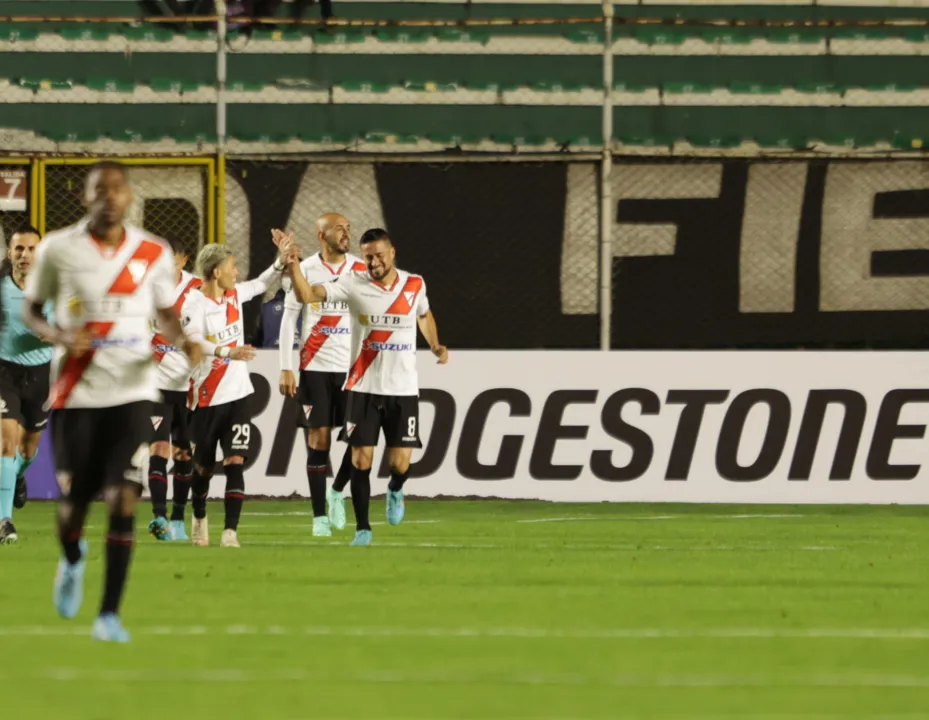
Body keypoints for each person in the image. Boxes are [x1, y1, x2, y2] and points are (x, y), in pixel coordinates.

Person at [23, 161, 202, 642]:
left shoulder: (154, 251)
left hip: (133, 393)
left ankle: (108, 615)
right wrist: (59, 333)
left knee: (124, 499)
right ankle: (72, 560)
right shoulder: (59, 249)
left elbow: (165, 314)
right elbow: (32, 311)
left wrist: (184, 340)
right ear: (85, 197)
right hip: (77, 394)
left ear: (129, 197)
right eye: (99, 190)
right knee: (74, 508)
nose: (109, 197)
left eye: (117, 190)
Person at [287, 228, 448, 546]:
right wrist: (293, 265)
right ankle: (363, 529)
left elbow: (424, 315)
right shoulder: (352, 283)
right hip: (363, 387)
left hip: (403, 390)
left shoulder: (414, 284)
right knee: (361, 459)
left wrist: (435, 345)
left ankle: (396, 489)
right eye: (367, 256)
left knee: (399, 464)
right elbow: (308, 295)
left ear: (392, 253)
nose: (373, 262)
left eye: (378, 255)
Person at [182, 240, 295, 548]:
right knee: (203, 468)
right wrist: (225, 351)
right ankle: (200, 515)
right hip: (206, 399)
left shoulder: (234, 295)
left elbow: (259, 285)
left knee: (235, 460)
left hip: (238, 396)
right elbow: (193, 342)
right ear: (216, 272)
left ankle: (230, 531)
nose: (237, 272)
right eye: (232, 267)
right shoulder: (194, 304)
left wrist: (278, 262)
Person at [276, 215, 364, 537]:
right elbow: (289, 318)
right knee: (319, 441)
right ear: (321, 234)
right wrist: (286, 366)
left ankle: (337, 490)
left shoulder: (359, 268)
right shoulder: (306, 269)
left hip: (352, 367)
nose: (346, 233)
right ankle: (318, 518)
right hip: (314, 367)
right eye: (339, 228)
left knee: (359, 440)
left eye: (348, 228)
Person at [0, 225, 53, 544]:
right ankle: (5, 520)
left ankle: (18, 474)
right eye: (19, 249)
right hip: (4, 372)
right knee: (6, 441)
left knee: (28, 449)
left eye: (32, 249)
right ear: (9, 253)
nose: (25, 255)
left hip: (40, 374)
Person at [148, 234, 202, 542]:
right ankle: (159, 516)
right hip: (157, 382)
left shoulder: (197, 289)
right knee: (159, 448)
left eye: (171, 258)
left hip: (190, 383)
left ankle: (179, 517)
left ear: (183, 259)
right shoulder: (147, 289)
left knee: (185, 454)